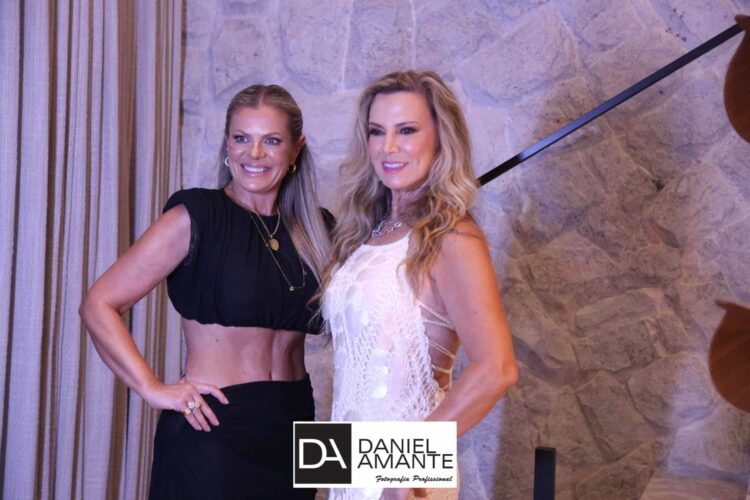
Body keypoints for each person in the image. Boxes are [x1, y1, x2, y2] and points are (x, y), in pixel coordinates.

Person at [80, 84, 331, 499]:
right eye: (241, 138)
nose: (254, 153)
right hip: (214, 427)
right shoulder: (196, 215)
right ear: (227, 144)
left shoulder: (318, 229)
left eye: (271, 141)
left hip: (295, 425)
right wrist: (151, 388)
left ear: (296, 148)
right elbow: (98, 304)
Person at [322, 70, 518, 500]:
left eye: (406, 130)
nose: (388, 147)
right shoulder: (367, 232)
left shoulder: (453, 237)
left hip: (406, 482)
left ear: (441, 138)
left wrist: (406, 469)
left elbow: (498, 368)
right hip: (356, 470)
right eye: (377, 131)